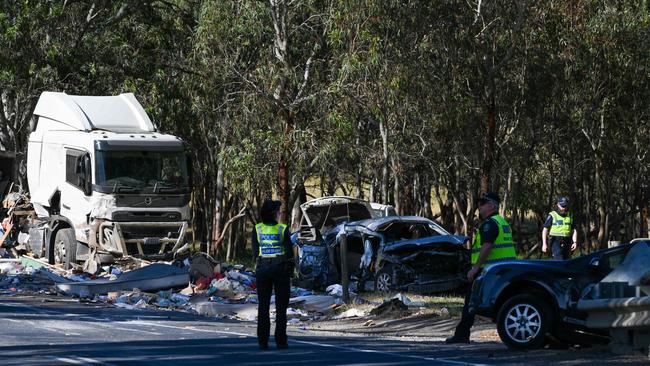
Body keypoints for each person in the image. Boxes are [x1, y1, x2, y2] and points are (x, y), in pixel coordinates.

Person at [446, 192, 516, 344]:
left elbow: (487, 246)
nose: (479, 207)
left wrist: (475, 267)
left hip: (487, 271)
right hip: (503, 271)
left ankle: (462, 335)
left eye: (482, 204)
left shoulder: (490, 224)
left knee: (471, 303)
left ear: (491, 206)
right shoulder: (502, 222)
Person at [252, 199, 294, 350]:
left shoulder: (257, 228)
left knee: (263, 306)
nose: (279, 213)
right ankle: (281, 341)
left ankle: (262, 341)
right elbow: (289, 253)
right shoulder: (282, 229)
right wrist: (291, 269)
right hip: (280, 268)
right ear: (273, 213)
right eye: (278, 211)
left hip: (263, 268)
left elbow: (255, 253)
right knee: (281, 307)